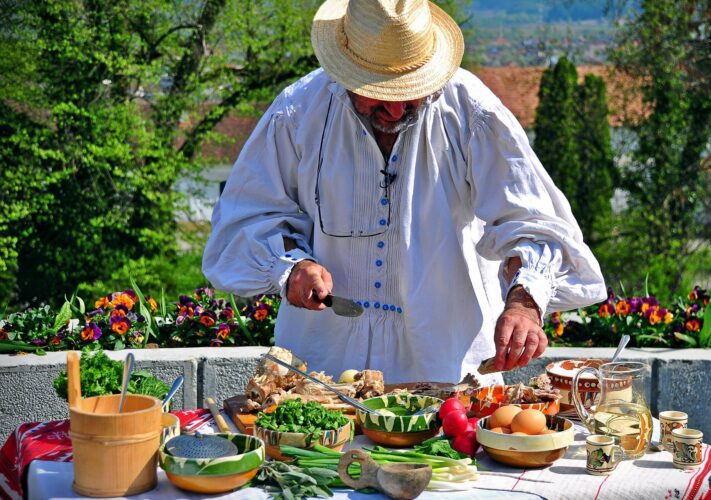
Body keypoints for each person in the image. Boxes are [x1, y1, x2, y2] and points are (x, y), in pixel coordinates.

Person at [202, 0, 606, 384]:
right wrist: (290, 267)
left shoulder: (472, 112)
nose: (395, 111)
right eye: (379, 92)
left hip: (446, 366)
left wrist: (523, 302)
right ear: (344, 73)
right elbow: (247, 218)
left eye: (408, 92)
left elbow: (534, 222)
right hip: (324, 368)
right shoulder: (296, 114)